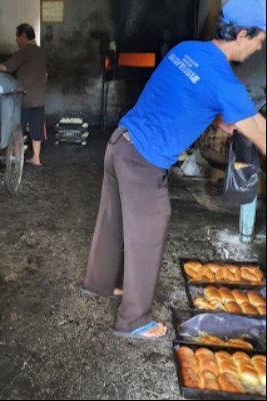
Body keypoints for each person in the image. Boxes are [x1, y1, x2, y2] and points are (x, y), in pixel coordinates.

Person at [82, 0, 266, 340]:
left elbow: (187, 93)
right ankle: (133, 320)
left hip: (119, 144)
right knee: (149, 230)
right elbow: (260, 133)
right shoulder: (225, 81)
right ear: (242, 34)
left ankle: (102, 284)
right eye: (259, 40)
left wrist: (219, 117)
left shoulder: (187, 50)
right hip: (143, 160)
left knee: (113, 219)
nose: (258, 48)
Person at [0, 23, 47, 167]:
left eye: (17, 37)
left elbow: (6, 67)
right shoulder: (40, 51)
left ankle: (16, 156)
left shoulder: (25, 51)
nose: (16, 40)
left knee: (17, 127)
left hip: (26, 98)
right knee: (36, 129)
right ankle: (36, 158)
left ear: (23, 36)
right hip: (39, 98)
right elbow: (46, 75)